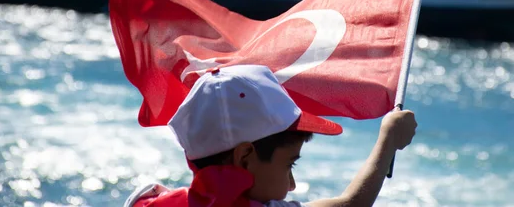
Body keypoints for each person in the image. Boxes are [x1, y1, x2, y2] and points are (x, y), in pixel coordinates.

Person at [125, 65, 417, 207]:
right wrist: (388, 141)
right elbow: (351, 204)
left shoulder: (152, 201)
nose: (291, 185)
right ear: (245, 157)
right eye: (290, 165)